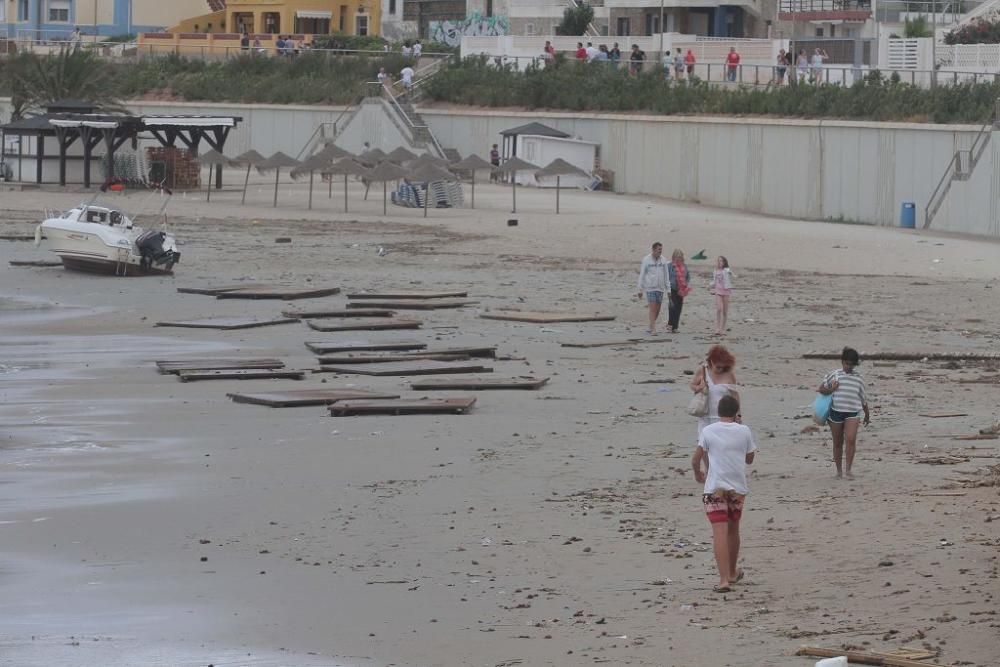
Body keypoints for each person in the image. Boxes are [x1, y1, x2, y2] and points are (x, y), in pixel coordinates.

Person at [692, 395, 756, 593]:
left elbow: (695, 459)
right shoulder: (744, 430)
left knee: (718, 533)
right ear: (736, 412)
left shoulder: (708, 431)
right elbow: (749, 459)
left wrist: (698, 474)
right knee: (733, 529)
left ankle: (723, 580)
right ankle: (732, 572)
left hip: (715, 488)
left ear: (718, 412)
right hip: (737, 489)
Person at [817, 347, 870, 479]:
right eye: (846, 363)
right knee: (837, 442)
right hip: (835, 412)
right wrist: (831, 388)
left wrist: (867, 414)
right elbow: (821, 389)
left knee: (851, 439)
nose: (848, 367)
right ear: (842, 361)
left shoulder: (859, 378)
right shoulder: (834, 374)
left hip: (853, 412)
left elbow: (863, 398)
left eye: (851, 364)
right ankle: (839, 471)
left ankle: (848, 470)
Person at [690, 344, 739, 437]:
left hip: (724, 417)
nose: (721, 370)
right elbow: (692, 385)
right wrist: (698, 388)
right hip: (705, 415)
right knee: (704, 443)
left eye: (723, 367)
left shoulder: (729, 374)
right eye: (718, 367)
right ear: (711, 361)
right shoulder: (703, 370)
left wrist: (738, 413)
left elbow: (735, 395)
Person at [636, 242, 670, 335]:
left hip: (660, 288)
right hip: (650, 287)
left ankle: (651, 325)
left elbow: (666, 275)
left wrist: (668, 289)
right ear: (654, 250)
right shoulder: (646, 260)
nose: (660, 251)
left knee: (658, 309)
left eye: (661, 249)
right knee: (652, 308)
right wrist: (640, 289)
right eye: (659, 249)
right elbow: (642, 274)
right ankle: (654, 330)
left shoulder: (663, 260)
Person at [666, 248, 690, 333]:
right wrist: (667, 286)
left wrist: (686, 284)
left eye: (680, 257)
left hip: (681, 289)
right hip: (672, 288)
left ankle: (675, 327)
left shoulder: (685, 266)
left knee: (679, 308)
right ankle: (670, 324)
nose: (678, 259)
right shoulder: (669, 265)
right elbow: (666, 276)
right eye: (677, 257)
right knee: (672, 306)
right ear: (673, 257)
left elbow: (688, 277)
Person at [710, 255, 733, 336]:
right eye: (718, 261)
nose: (719, 262)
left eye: (721, 261)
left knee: (725, 311)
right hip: (718, 291)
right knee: (719, 309)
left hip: (726, 291)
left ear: (724, 262)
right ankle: (717, 328)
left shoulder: (726, 270)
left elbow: (730, 274)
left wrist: (732, 274)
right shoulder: (715, 271)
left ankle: (722, 329)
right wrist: (710, 285)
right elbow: (714, 281)